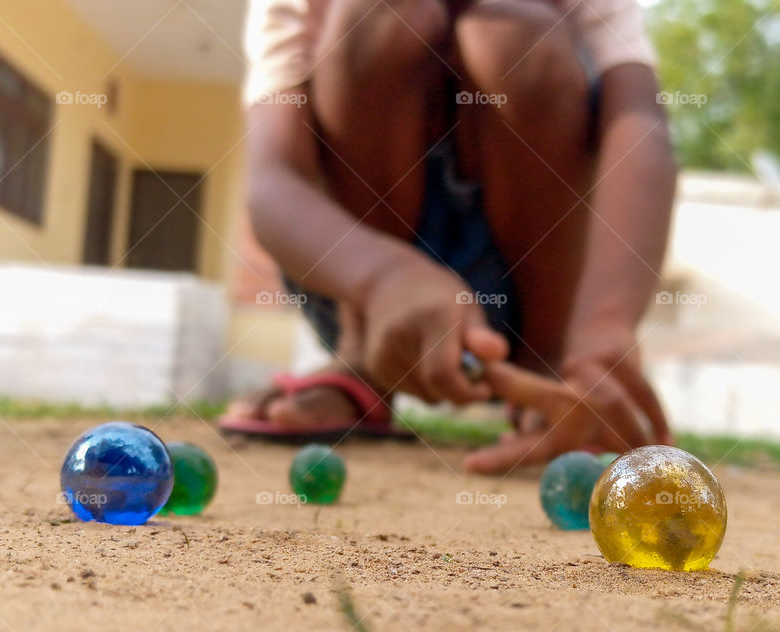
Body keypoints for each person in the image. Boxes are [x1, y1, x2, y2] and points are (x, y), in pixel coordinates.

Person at [223, 0, 677, 473]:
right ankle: (359, 361)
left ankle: (553, 366)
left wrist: (604, 324)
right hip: (353, 278)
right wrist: (383, 277)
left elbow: (642, 125)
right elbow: (271, 182)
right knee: (383, 14)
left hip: (530, 294)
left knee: (514, 32)